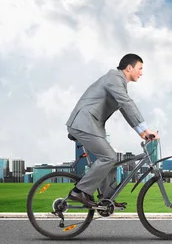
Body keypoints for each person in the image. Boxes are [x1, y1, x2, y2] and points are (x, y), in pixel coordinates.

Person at [65, 53, 159, 208]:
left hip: (92, 125)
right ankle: (80, 191)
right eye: (140, 68)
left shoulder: (119, 83)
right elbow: (127, 103)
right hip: (83, 124)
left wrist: (141, 132)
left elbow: (124, 108)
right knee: (108, 157)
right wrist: (146, 128)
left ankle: (106, 199)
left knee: (111, 159)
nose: (142, 73)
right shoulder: (114, 78)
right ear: (129, 68)